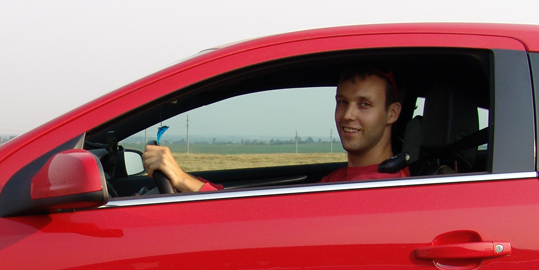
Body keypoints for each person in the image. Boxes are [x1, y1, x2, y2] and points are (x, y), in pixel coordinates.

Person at [141, 66, 409, 192]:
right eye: (342, 102)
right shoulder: (342, 178)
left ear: (392, 113)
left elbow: (266, 226)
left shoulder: (378, 190)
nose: (348, 115)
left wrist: (182, 180)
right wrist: (186, 180)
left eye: (364, 105)